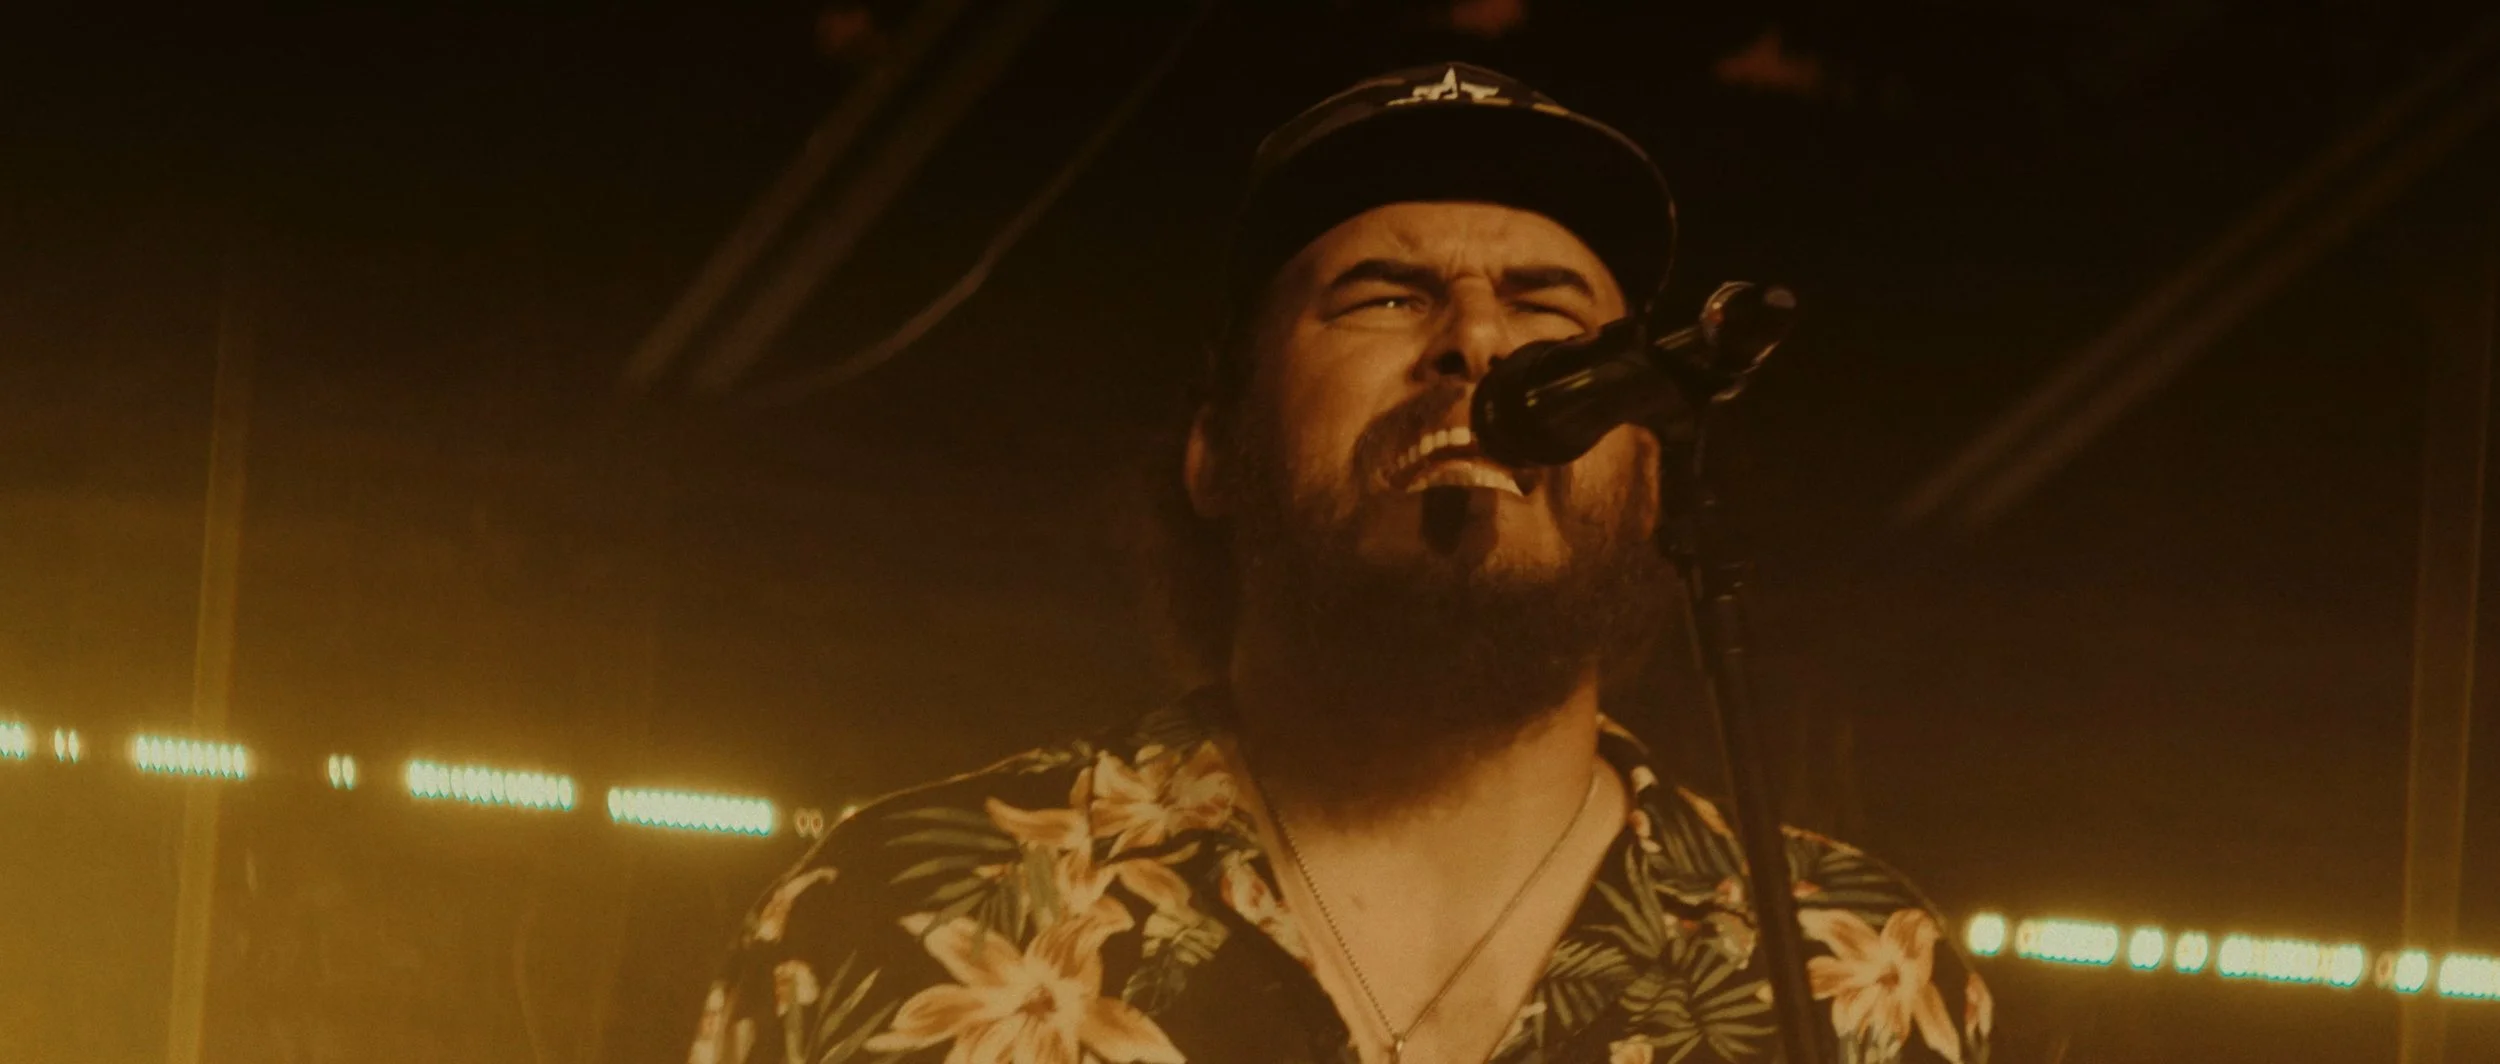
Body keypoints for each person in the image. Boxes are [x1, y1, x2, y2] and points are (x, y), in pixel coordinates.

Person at [687, 63, 1991, 1064]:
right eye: (1383, 294)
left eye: (1546, 305)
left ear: (1649, 473)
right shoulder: (900, 906)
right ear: (1216, 450)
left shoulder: (1858, 963)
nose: (1478, 342)